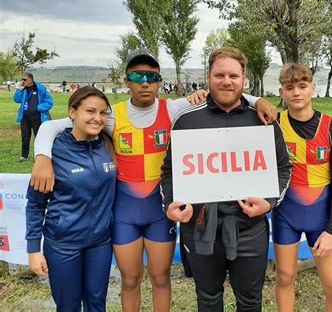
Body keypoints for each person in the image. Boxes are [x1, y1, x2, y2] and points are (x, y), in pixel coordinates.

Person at [31, 48, 277, 311]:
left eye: (151, 76)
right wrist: (43, 156)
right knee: (131, 279)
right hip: (125, 212)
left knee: (160, 278)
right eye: (136, 77)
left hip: (159, 211)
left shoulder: (173, 109)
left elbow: (223, 90)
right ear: (126, 81)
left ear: (160, 80)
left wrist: (258, 100)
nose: (144, 83)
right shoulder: (109, 115)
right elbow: (51, 126)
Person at [161, 47, 292, 311]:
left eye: (234, 75)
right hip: (200, 227)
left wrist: (268, 202)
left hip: (249, 228)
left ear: (244, 78)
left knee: (250, 300)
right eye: (219, 75)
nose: (227, 81)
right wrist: (171, 204)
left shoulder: (263, 121)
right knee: (208, 299)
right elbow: (169, 172)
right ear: (208, 76)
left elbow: (283, 169)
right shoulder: (186, 121)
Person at [25, 86, 116, 311]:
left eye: (103, 113)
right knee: (68, 306)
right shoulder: (52, 152)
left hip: (101, 243)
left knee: (97, 304)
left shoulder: (108, 144)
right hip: (63, 245)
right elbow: (36, 205)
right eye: (90, 111)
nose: (97, 118)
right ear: (72, 113)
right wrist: (33, 250)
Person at [272, 63, 332, 311]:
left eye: (302, 86)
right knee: (284, 278)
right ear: (281, 92)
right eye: (289, 87)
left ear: (313, 88)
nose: (296, 92)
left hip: (322, 219)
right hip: (286, 215)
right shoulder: (273, 126)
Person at [13, 72, 53, 162]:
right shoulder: (23, 89)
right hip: (25, 117)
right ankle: (24, 156)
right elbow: (16, 100)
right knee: (25, 137)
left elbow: (49, 102)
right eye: (22, 79)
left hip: (37, 116)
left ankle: (39, 156)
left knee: (38, 137)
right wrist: (19, 90)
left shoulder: (40, 89)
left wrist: (38, 108)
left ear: (30, 79)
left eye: (25, 79)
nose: (23, 81)